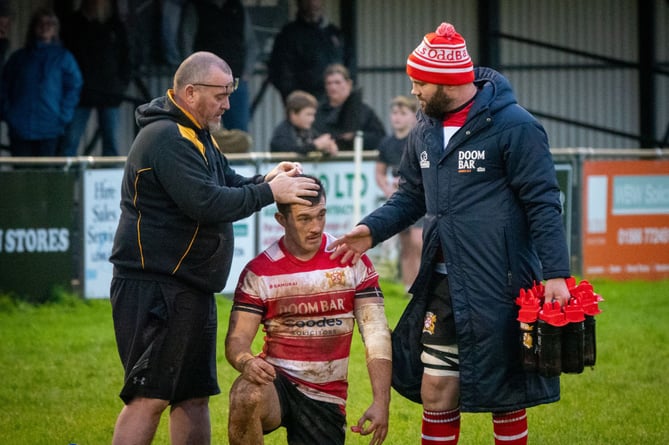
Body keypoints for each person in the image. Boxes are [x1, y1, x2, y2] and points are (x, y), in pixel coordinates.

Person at [329, 22, 572, 445]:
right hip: (443, 285)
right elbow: (410, 197)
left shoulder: (515, 126)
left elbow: (543, 202)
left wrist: (556, 274)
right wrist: (371, 230)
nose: (414, 90)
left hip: (502, 285)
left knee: (507, 396)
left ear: (447, 82)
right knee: (435, 390)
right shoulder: (424, 129)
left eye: (420, 82)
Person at [108, 51, 320, 445]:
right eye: (221, 95)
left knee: (193, 397)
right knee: (149, 396)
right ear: (190, 92)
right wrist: (270, 191)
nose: (227, 104)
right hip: (156, 288)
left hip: (189, 288)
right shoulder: (166, 137)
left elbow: (227, 181)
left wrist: (267, 178)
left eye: (229, 93)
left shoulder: (194, 132)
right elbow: (205, 202)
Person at [225, 174, 391, 445]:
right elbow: (237, 340)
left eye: (321, 215)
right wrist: (247, 362)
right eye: (304, 219)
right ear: (282, 220)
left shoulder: (350, 259)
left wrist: (381, 401)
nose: (316, 226)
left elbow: (377, 335)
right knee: (246, 394)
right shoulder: (260, 272)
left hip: (326, 396)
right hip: (277, 382)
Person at [0, 7, 82, 157]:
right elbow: (4, 85)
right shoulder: (19, 58)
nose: (45, 27)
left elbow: (74, 86)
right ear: (34, 27)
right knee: (21, 174)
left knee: (46, 174)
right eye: (41, 23)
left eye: (50, 23)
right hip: (21, 127)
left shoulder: (63, 57)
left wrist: (63, 115)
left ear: (55, 29)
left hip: (50, 127)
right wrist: (8, 112)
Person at [59, 0, 132, 156]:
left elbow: (126, 57)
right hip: (81, 91)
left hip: (110, 91)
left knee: (111, 141)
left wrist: (121, 84)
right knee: (70, 140)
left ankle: (110, 180)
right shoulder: (74, 23)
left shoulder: (114, 25)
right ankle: (64, 178)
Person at [182, 0, 258, 132]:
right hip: (205, 83)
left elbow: (251, 43)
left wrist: (246, 73)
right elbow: (186, 41)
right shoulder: (197, 7)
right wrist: (193, 75)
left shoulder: (237, 7)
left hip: (235, 82)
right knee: (203, 129)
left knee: (239, 133)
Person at [375, 95, 421, 293]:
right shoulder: (386, 144)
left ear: (413, 116)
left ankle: (421, 286)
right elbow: (379, 172)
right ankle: (408, 288)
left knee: (418, 242)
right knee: (405, 244)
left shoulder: (419, 139)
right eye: (395, 113)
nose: (397, 118)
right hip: (398, 198)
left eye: (403, 113)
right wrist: (387, 189)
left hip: (417, 196)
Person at [268, 0, 352, 102]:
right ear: (299, 3)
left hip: (337, 103)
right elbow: (280, 72)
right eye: (307, 0)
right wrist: (295, 99)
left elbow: (349, 63)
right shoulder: (289, 35)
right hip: (307, 105)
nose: (312, 3)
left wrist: (345, 90)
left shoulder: (335, 33)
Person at [313, 63, 386, 151]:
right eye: (329, 83)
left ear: (349, 84)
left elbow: (380, 139)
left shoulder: (364, 111)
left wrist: (354, 136)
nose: (332, 87)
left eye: (337, 82)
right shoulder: (317, 112)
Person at [270, 89, 338, 156]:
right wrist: (314, 146)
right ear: (293, 114)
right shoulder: (282, 132)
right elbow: (288, 150)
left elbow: (318, 143)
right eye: (308, 114)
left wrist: (327, 148)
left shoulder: (309, 131)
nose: (312, 119)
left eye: (313, 115)